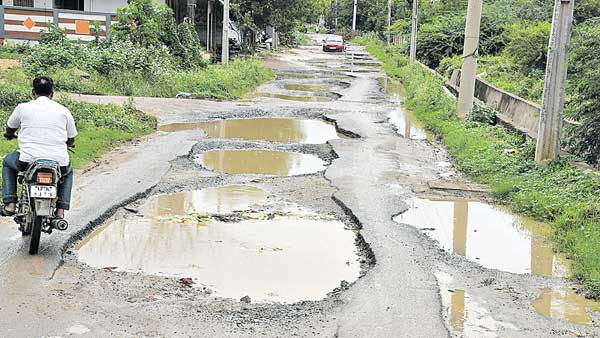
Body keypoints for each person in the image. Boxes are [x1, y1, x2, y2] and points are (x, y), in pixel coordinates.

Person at [1, 76, 77, 218]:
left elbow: (10, 128)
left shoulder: (22, 108)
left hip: (27, 160)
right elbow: (71, 137)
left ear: (33, 93)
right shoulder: (63, 111)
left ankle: (10, 203)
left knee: (7, 162)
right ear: (52, 94)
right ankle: (61, 210)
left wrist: (9, 134)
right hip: (58, 161)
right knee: (67, 172)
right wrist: (69, 144)